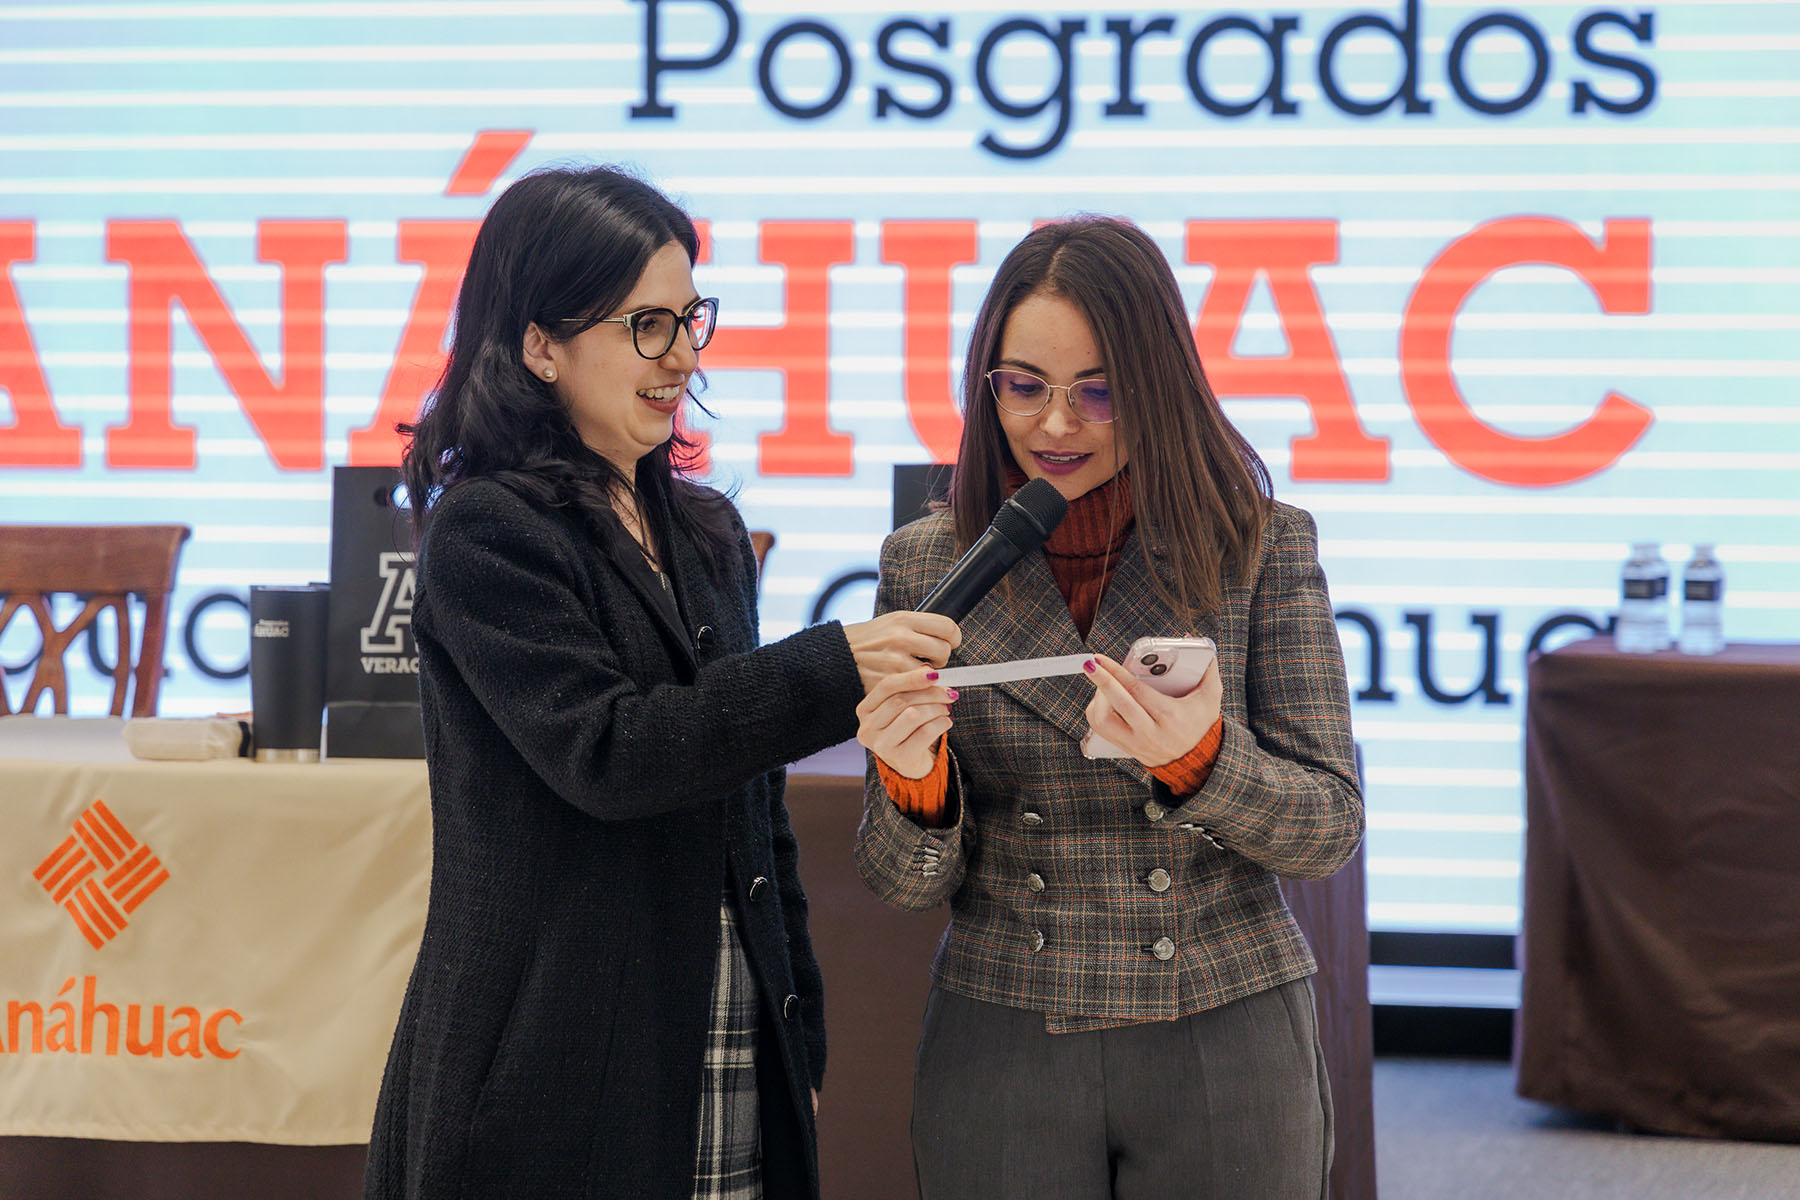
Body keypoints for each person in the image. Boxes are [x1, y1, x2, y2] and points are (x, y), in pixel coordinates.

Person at [363, 164, 958, 1200]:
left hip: (724, 1023)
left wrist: (796, 1029)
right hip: (549, 1059)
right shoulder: (488, 529)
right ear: (539, 343)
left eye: (691, 320)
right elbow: (610, 753)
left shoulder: (707, 531)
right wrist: (833, 665)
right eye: (647, 324)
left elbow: (754, 807)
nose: (681, 355)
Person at [853, 216, 1363, 1199]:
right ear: (984, 383)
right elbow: (902, 884)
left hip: (1226, 1017)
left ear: (1158, 385)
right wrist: (915, 789)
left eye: (1099, 391)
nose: (1055, 425)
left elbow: (1327, 829)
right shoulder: (927, 563)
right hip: (1003, 1027)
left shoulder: (1259, 546)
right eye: (1024, 387)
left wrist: (1203, 762)